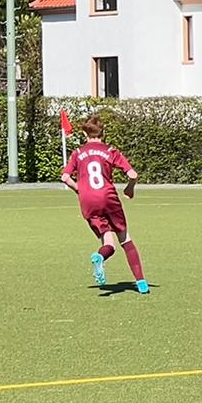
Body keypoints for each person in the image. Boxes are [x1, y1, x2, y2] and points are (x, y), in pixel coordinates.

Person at [61, 114, 147, 293]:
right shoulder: (110, 151)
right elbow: (133, 174)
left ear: (85, 134)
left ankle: (100, 256)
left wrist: (79, 190)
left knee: (108, 242)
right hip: (108, 198)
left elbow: (65, 177)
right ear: (103, 133)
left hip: (88, 201)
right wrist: (130, 188)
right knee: (125, 239)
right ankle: (141, 283)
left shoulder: (78, 153)